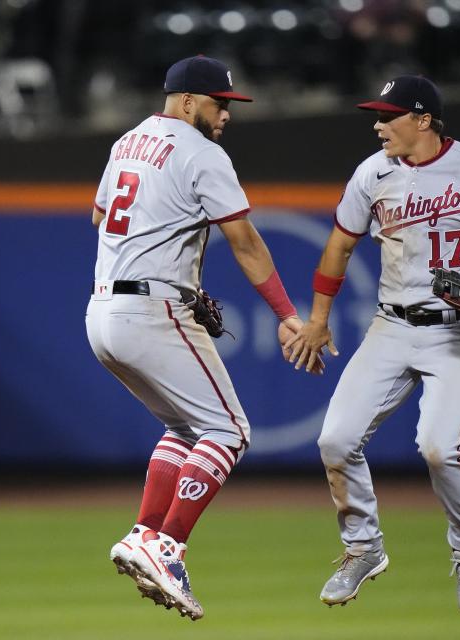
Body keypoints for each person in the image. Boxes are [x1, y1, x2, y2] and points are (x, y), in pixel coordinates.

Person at [286, 75, 460, 616]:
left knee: (437, 446)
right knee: (335, 440)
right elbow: (338, 246)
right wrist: (317, 320)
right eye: (377, 115)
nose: (378, 124)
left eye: (389, 115)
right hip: (392, 325)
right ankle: (363, 547)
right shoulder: (373, 172)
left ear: (423, 119)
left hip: (459, 327)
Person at [86, 55, 312, 621]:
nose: (226, 113)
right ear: (187, 101)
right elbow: (245, 242)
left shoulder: (126, 142)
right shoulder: (203, 153)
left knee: (185, 427)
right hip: (153, 308)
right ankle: (169, 547)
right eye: (218, 103)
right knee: (229, 430)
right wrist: (286, 313)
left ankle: (143, 534)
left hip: (103, 311)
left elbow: (99, 217)